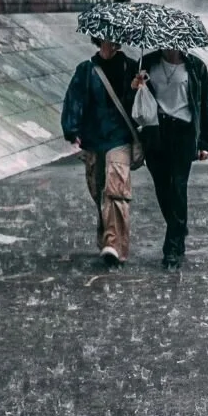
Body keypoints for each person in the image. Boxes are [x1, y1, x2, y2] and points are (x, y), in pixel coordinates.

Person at [132, 45, 208, 270]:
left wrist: (206, 141)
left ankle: (171, 247)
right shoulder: (147, 63)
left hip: (183, 132)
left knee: (178, 186)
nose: (171, 46)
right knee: (162, 188)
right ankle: (178, 227)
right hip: (156, 131)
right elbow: (132, 98)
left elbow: (207, 104)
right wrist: (136, 85)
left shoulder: (196, 67)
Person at [60, 39, 140, 267]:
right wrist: (72, 130)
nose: (112, 43)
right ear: (99, 39)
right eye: (107, 38)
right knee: (99, 190)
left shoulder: (131, 68)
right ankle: (107, 236)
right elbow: (74, 100)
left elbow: (139, 108)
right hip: (94, 140)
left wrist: (136, 89)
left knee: (116, 189)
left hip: (120, 138)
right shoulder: (86, 70)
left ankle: (114, 244)